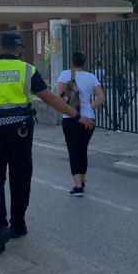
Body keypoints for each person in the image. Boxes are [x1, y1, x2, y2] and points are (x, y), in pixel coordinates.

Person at [0, 31, 94, 254]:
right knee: (20, 178)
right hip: (20, 133)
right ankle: (17, 224)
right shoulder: (27, 70)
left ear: (0, 48)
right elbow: (51, 98)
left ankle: (0, 225)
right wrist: (76, 115)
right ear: (19, 49)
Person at [57, 51, 105, 196]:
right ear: (84, 62)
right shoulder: (91, 77)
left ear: (72, 61)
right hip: (89, 119)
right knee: (82, 149)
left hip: (70, 118)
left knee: (73, 151)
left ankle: (78, 186)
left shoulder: (65, 75)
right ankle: (82, 179)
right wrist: (89, 108)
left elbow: (59, 97)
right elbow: (101, 98)